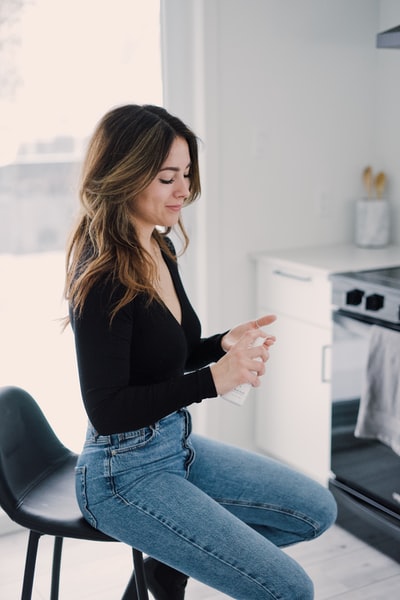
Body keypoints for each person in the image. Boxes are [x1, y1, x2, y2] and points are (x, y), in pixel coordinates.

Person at [64, 104, 337, 600]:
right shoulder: (103, 274)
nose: (184, 189)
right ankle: (171, 560)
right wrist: (215, 379)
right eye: (167, 177)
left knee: (317, 510)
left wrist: (221, 344)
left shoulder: (158, 247)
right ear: (123, 176)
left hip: (176, 445)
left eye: (186, 174)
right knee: (289, 590)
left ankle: (164, 570)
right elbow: (107, 411)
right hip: (121, 473)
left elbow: (177, 351)